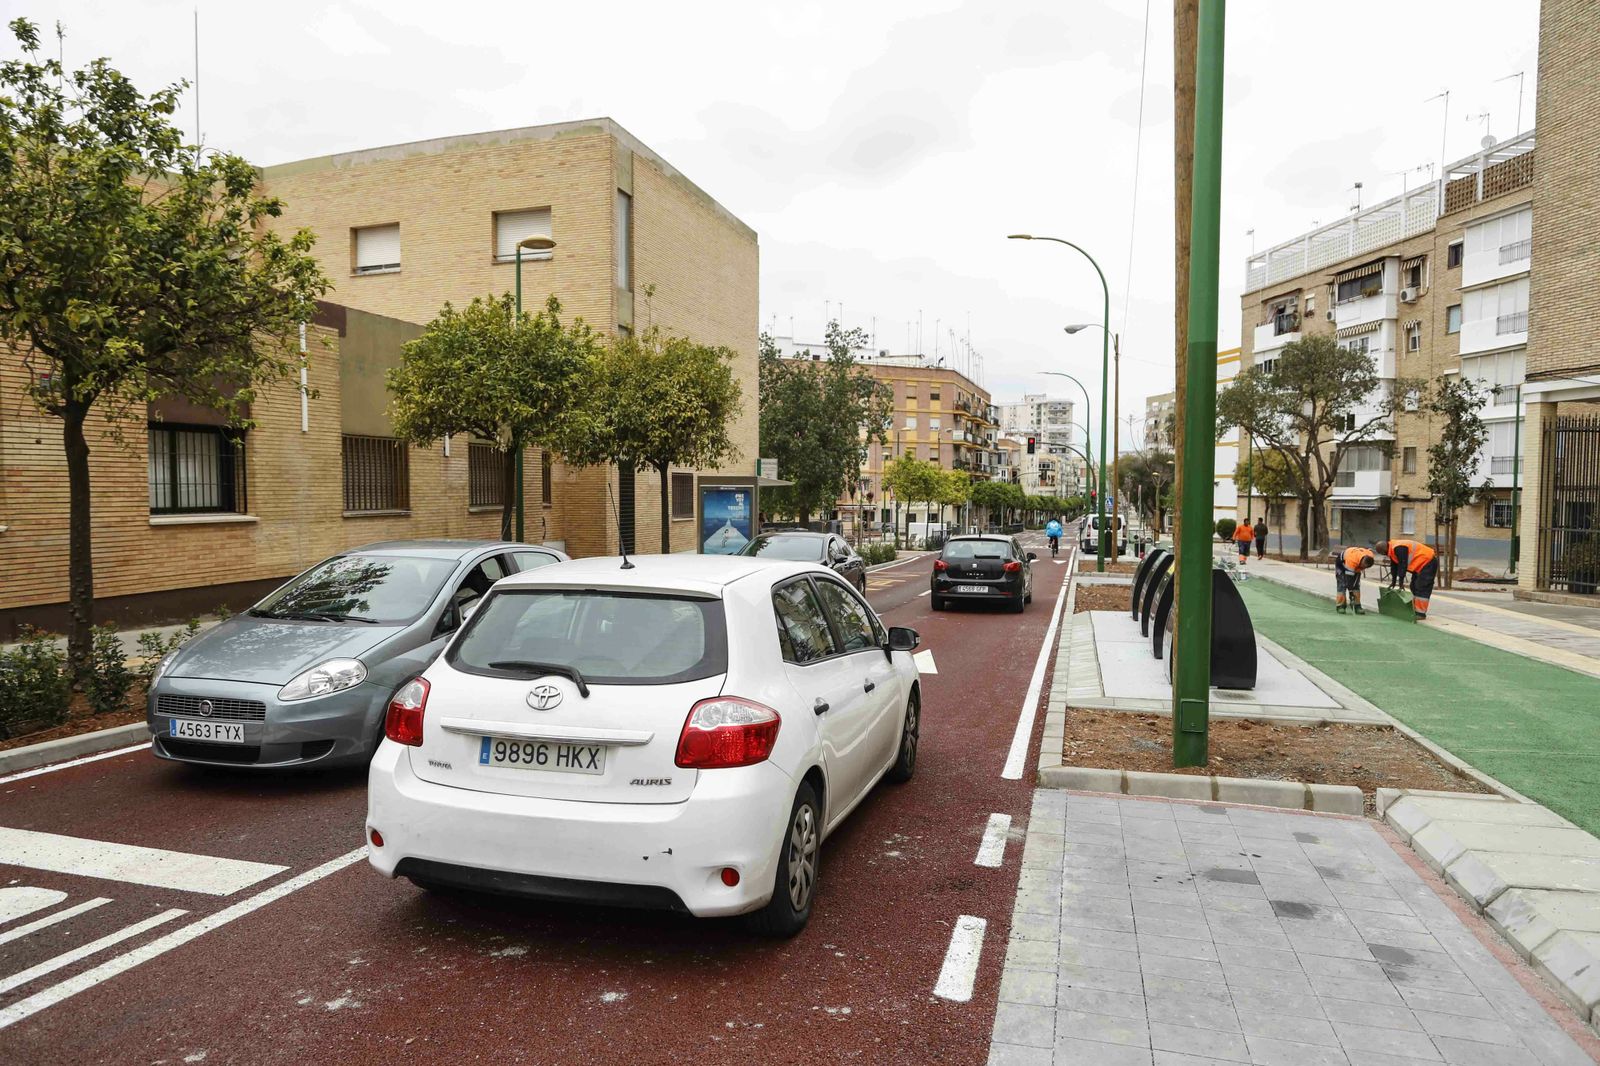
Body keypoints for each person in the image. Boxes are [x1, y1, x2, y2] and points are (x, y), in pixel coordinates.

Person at [1375, 539, 1440, 620]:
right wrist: (1393, 582)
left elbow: (1402, 564)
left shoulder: (1399, 548)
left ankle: (1420, 613)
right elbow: (1394, 567)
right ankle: (1415, 610)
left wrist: (1401, 582)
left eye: (1382, 553)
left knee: (1422, 586)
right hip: (1420, 565)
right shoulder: (1392, 550)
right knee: (1414, 586)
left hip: (1428, 562)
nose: (1384, 555)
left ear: (1384, 551)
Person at [1332, 546, 1376, 614]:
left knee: (1356, 586)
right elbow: (1349, 579)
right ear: (1362, 562)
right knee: (1342, 585)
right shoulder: (1352, 561)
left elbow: (1354, 582)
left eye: (1365, 568)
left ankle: (1357, 606)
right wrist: (1351, 593)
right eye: (1363, 566)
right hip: (1342, 565)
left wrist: (1352, 590)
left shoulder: (1370, 556)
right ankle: (1340, 606)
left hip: (1355, 566)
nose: (1363, 568)